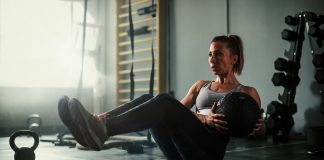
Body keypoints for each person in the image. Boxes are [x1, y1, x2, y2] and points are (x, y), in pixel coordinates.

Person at [58, 35, 264, 160]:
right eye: (210, 54)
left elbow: (259, 131)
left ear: (234, 58)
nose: (212, 59)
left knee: (163, 100)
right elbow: (176, 111)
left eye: (219, 54)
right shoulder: (201, 86)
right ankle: (97, 123)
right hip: (179, 148)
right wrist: (203, 117)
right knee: (151, 99)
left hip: (207, 152)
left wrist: (258, 126)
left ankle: (103, 130)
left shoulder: (246, 93)